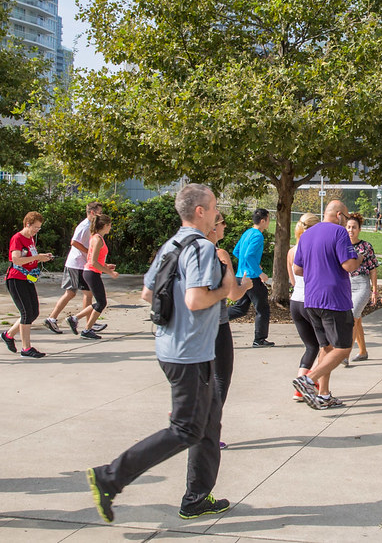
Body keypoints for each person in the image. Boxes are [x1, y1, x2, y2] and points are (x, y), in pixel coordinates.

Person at [87, 183, 235, 522]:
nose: (216, 213)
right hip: (190, 354)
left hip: (175, 346)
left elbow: (146, 293)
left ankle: (197, 497)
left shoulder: (172, 244)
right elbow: (196, 299)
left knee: (209, 422)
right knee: (185, 430)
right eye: (213, 207)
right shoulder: (200, 249)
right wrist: (226, 288)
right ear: (200, 211)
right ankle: (110, 477)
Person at [291, 200, 361, 410]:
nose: (347, 221)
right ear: (339, 215)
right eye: (347, 217)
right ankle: (309, 380)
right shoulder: (339, 233)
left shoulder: (308, 234)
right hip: (334, 299)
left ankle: (324, 394)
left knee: (326, 348)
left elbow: (297, 269)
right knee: (343, 348)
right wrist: (359, 258)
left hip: (311, 299)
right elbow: (348, 265)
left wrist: (318, 268)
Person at [210, 212, 252, 448]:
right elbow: (232, 294)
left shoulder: (187, 251)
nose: (225, 227)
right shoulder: (219, 254)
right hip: (217, 324)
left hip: (193, 327)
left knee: (201, 379)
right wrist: (245, 285)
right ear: (214, 226)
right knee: (220, 378)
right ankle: (209, 432)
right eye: (223, 223)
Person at [0, 212, 54, 358]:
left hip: (27, 279)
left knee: (33, 312)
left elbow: (30, 257)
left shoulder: (30, 239)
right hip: (16, 279)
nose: (37, 230)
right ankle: (26, 348)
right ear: (27, 224)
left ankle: (9, 335)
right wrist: (37, 257)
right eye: (35, 227)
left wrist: (42, 257)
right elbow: (16, 259)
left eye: (39, 228)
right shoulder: (17, 238)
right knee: (26, 313)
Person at [45, 202, 102, 334]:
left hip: (79, 264)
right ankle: (87, 324)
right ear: (92, 212)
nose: (101, 215)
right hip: (77, 264)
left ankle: (53, 319)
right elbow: (74, 242)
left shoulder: (91, 226)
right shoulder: (84, 226)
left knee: (76, 293)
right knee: (84, 293)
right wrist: (89, 252)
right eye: (99, 212)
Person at [227, 208, 273, 347]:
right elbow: (248, 255)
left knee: (241, 308)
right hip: (252, 278)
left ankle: (216, 317)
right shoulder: (258, 235)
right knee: (263, 309)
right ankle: (259, 340)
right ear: (263, 220)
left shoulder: (247, 232)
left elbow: (237, 252)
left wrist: (249, 265)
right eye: (268, 220)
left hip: (241, 275)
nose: (269, 223)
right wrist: (259, 272)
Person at [69, 214, 119, 340]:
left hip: (92, 272)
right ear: (105, 225)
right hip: (91, 272)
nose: (110, 227)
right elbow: (93, 262)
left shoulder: (97, 238)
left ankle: (75, 319)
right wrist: (109, 272)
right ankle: (86, 329)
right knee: (101, 302)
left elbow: (96, 259)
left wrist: (106, 265)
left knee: (99, 301)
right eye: (110, 225)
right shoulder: (97, 239)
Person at [287, 213, 320, 402]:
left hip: (296, 300)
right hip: (312, 301)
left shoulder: (292, 250)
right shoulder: (313, 248)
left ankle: (299, 388)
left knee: (310, 346)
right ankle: (313, 383)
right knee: (325, 347)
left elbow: (292, 280)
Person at [345, 212, 378, 363]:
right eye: (349, 227)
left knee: (352, 317)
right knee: (357, 320)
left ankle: (344, 354)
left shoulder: (366, 246)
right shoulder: (341, 245)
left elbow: (373, 269)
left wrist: (374, 289)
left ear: (359, 229)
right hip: (345, 286)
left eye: (354, 227)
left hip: (362, 285)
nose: (351, 230)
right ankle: (363, 351)